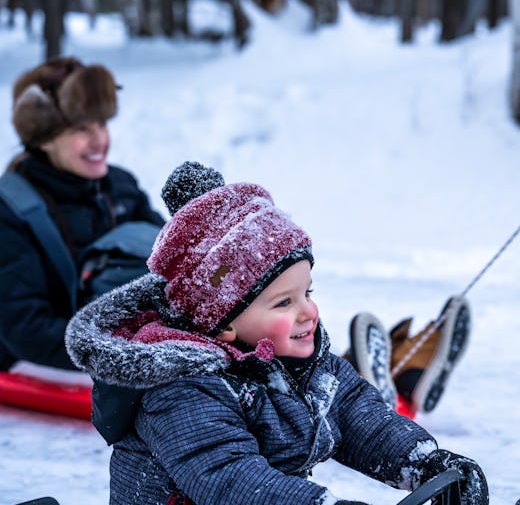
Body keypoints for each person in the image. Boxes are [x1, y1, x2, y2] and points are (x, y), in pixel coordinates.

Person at [65, 161, 489, 505]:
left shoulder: (297, 362)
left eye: (307, 292)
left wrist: (426, 462)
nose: (309, 311)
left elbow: (357, 415)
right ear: (224, 322)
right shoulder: (178, 388)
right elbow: (231, 479)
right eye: (284, 303)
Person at [0, 57, 164, 374]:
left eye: (102, 124)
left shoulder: (120, 185)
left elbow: (169, 257)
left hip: (131, 336)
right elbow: (25, 327)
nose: (99, 141)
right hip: (42, 357)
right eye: (81, 129)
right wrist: (125, 354)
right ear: (44, 138)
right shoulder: (11, 210)